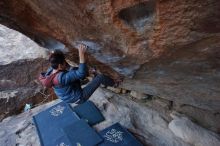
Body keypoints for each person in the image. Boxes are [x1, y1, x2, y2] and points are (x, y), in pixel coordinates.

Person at [39, 44, 122, 104]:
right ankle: (115, 83)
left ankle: (91, 73)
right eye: (64, 63)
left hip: (70, 92)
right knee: (100, 77)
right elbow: (81, 73)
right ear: (60, 65)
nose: (66, 63)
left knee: (74, 69)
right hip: (78, 98)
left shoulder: (50, 71)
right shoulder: (61, 78)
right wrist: (81, 54)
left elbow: (71, 70)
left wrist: (55, 52)